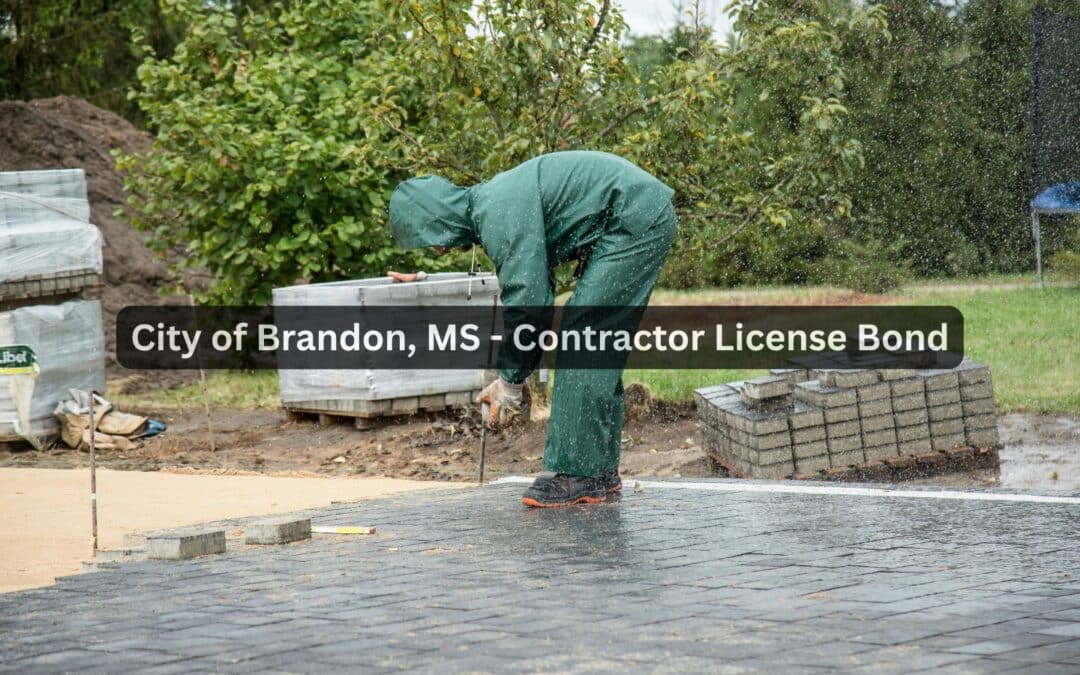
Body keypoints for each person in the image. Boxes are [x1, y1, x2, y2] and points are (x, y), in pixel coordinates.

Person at [388, 151, 676, 507]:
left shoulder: (497, 213)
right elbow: (524, 283)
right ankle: (597, 470)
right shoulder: (492, 203)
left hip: (633, 217)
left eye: (431, 236)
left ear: (439, 217)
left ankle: (576, 473)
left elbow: (529, 302)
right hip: (639, 213)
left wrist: (510, 379)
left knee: (584, 333)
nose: (438, 248)